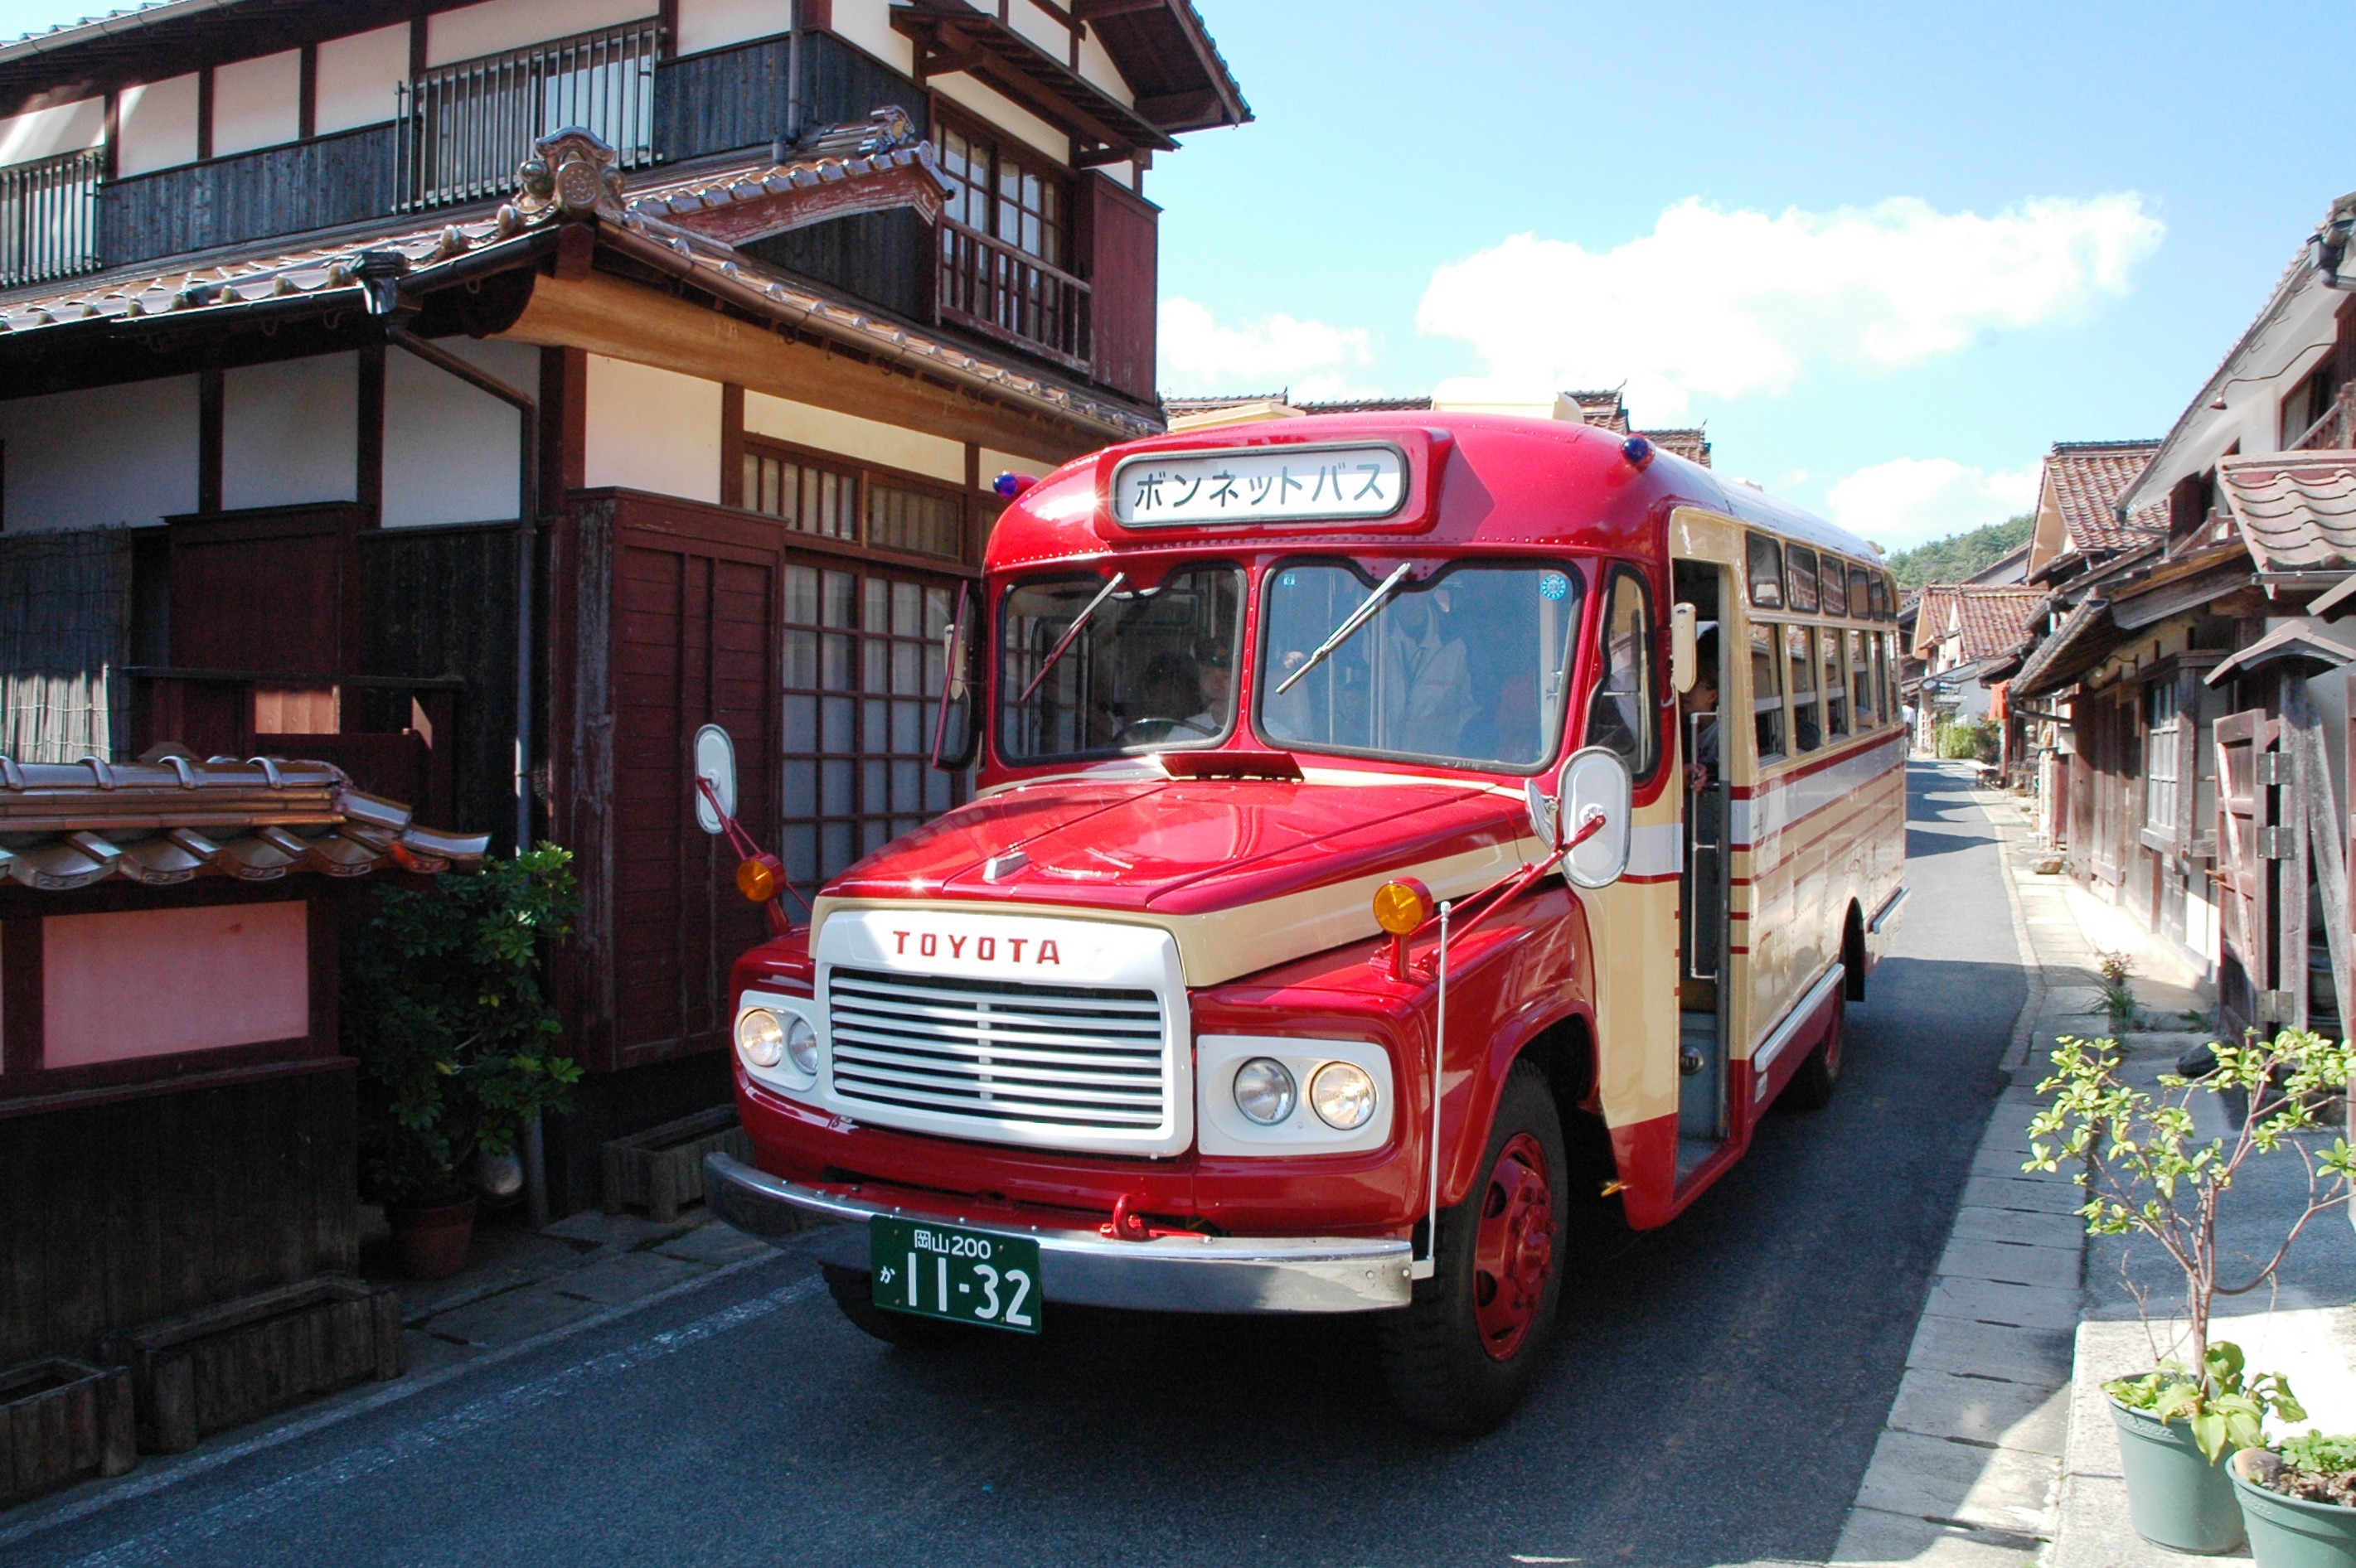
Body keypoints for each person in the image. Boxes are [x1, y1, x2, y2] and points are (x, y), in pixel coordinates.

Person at [1681, 630, 1721, 791]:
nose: (1684, 693)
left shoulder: (1722, 734)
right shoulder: (1680, 729)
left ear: (1712, 696)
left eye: (1693, 687)